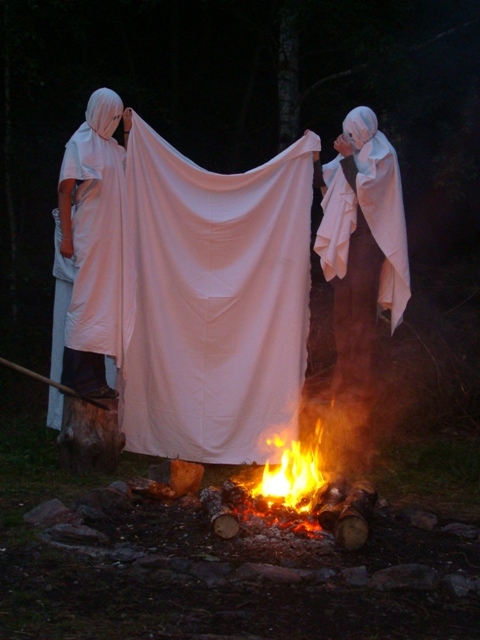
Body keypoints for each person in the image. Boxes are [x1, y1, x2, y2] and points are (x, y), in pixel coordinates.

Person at [314, 106, 410, 403]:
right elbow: (325, 184)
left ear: (364, 131)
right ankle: (343, 378)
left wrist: (347, 158)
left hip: (368, 244)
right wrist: (315, 158)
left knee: (362, 314)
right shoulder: (351, 155)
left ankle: (360, 386)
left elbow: (366, 194)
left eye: (353, 134)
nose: (349, 139)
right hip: (347, 241)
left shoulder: (383, 155)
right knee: (342, 312)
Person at [57, 87, 133, 399]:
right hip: (89, 235)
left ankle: (96, 380)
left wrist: (127, 132)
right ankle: (78, 378)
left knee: (104, 306)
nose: (112, 122)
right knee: (86, 302)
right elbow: (65, 191)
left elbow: (132, 168)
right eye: (111, 117)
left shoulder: (114, 149)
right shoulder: (80, 142)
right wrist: (67, 237)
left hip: (110, 240)